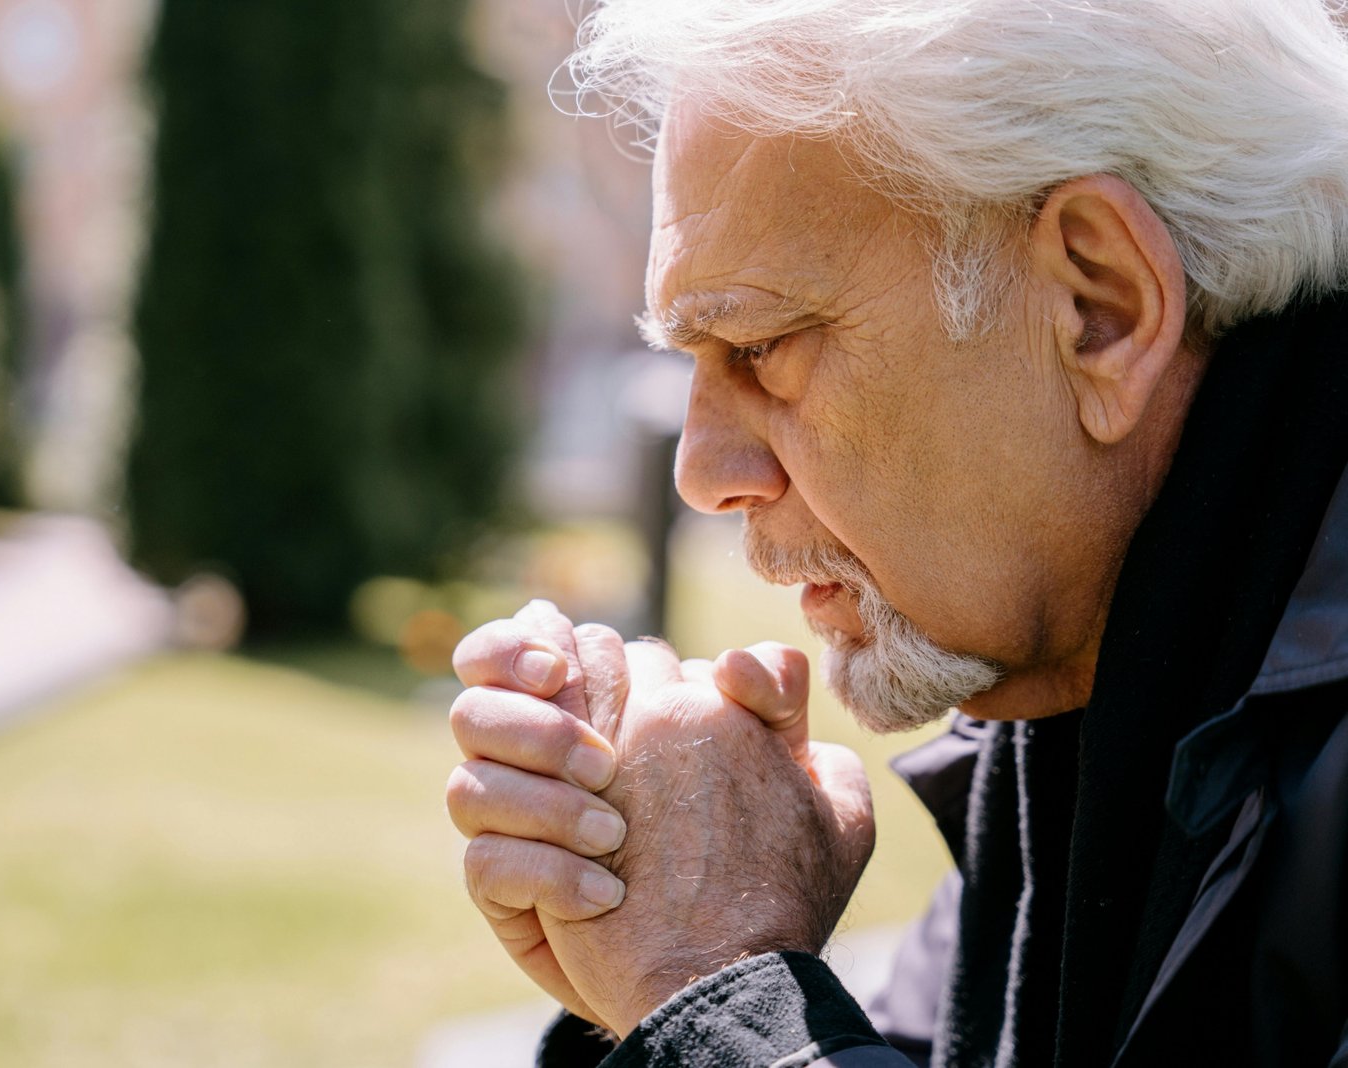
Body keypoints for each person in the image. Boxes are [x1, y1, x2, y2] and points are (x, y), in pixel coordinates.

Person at [445, 2, 1348, 1065]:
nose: (702, 471)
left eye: (763, 344)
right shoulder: (1070, 680)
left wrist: (710, 989)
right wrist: (639, 977)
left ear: (1098, 307)